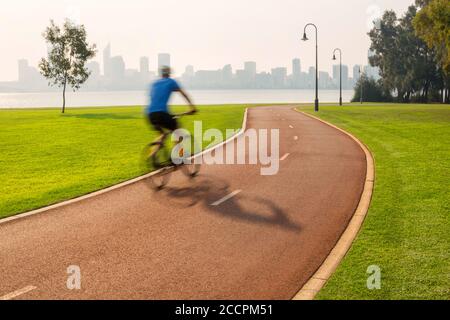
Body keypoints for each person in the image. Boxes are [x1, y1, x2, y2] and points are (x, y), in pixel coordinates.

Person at [146, 66, 196, 145]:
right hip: (161, 114)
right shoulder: (171, 82)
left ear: (161, 74)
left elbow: (154, 98)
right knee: (177, 131)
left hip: (150, 115)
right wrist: (192, 107)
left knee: (163, 134)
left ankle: (153, 155)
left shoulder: (154, 84)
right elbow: (184, 94)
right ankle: (176, 155)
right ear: (169, 73)